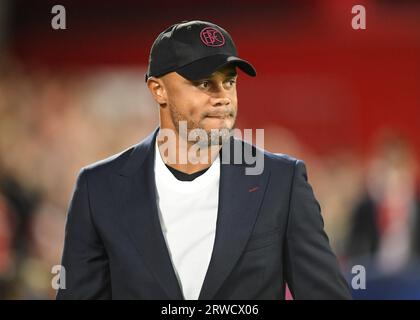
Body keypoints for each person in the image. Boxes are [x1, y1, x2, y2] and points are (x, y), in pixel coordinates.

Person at [57, 20, 351, 300]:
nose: (223, 97)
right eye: (205, 83)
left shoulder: (281, 181)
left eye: (229, 82)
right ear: (158, 90)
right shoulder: (98, 188)